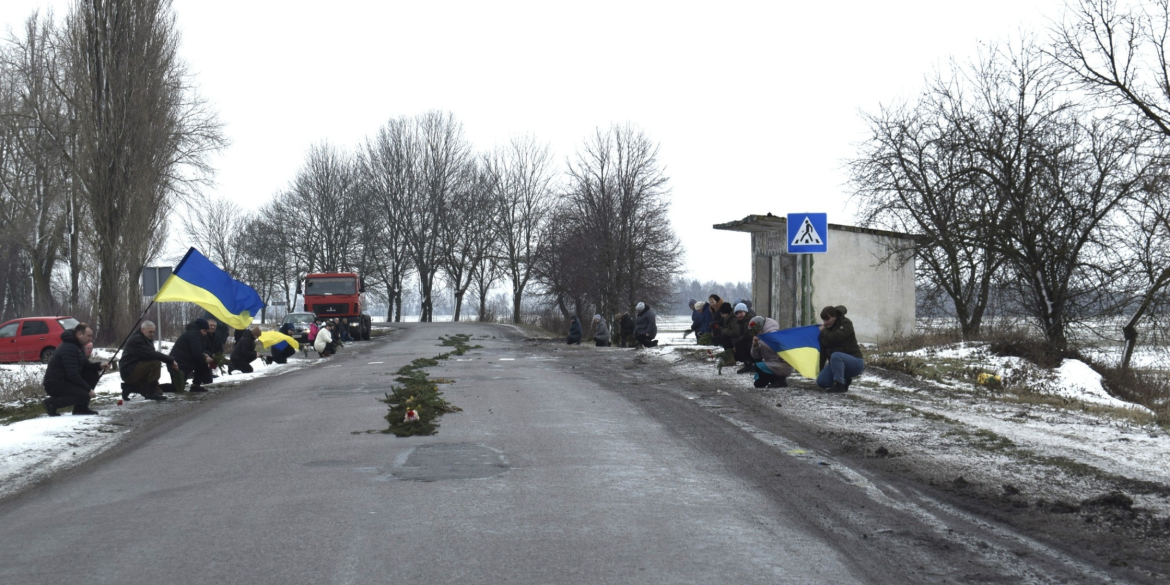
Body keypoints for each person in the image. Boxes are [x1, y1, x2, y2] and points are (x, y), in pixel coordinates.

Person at [42, 323, 108, 416]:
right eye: (88, 336)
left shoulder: (78, 346)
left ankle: (81, 408)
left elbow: (86, 366)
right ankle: (51, 403)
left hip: (65, 381)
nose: (91, 338)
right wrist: (88, 390)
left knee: (92, 374)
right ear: (80, 335)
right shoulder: (69, 348)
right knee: (84, 395)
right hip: (55, 384)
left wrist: (100, 365)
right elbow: (73, 375)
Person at [119, 320, 176, 400]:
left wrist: (154, 379)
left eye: (153, 332)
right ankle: (151, 393)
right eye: (150, 332)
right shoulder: (137, 339)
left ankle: (129, 387)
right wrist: (170, 360)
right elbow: (151, 354)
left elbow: (149, 356)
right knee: (156, 363)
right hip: (129, 371)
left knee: (159, 392)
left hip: (137, 369)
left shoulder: (146, 339)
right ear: (143, 330)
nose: (152, 334)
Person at [816, 305, 865, 393]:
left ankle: (839, 385)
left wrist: (823, 331)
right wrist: (821, 370)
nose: (825, 323)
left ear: (834, 317)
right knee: (821, 382)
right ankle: (844, 380)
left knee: (836, 355)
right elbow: (823, 353)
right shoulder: (826, 331)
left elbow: (835, 337)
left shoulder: (846, 324)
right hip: (837, 365)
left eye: (828, 319)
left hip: (855, 362)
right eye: (824, 320)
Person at [748, 316, 794, 388]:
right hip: (772, 364)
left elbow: (778, 347)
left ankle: (779, 380)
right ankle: (773, 379)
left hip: (782, 364)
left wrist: (761, 341)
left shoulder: (773, 334)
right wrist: (755, 345)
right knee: (758, 384)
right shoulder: (761, 336)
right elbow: (755, 356)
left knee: (757, 366)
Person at [171, 319, 214, 392]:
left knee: (178, 388)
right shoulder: (194, 335)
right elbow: (197, 353)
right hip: (178, 364)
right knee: (177, 388)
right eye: (204, 331)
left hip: (183, 362)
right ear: (200, 329)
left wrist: (206, 355)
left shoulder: (194, 333)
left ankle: (196, 385)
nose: (206, 333)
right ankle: (156, 387)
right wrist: (205, 358)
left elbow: (199, 350)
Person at [731, 303, 758, 374]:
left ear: (745, 312)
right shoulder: (742, 321)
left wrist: (739, 341)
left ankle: (749, 364)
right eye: (736, 313)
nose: (739, 315)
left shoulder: (748, 320)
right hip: (751, 341)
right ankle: (748, 363)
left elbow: (748, 334)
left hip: (754, 341)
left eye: (740, 312)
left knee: (738, 344)